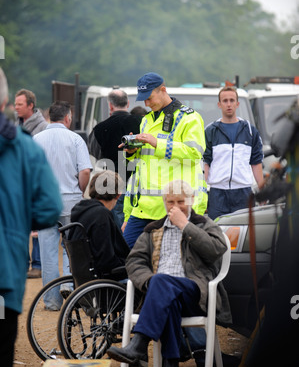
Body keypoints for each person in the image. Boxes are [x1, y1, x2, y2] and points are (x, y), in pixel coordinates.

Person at [107, 180, 231, 367]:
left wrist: (185, 225)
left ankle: (139, 343)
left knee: (162, 283)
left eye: (181, 201)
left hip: (194, 293)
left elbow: (215, 250)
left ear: (191, 201)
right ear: (164, 202)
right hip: (163, 296)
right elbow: (134, 262)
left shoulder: (204, 224)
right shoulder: (153, 229)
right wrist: (148, 281)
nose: (176, 205)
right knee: (165, 294)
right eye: (170, 201)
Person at [0, 68, 62, 367]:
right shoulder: (24, 148)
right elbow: (49, 209)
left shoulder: (34, 140)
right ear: (7, 102)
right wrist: (18, 221)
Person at [122, 72, 208, 249]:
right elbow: (145, 159)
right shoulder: (145, 120)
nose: (146, 103)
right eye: (143, 100)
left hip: (173, 206)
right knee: (127, 252)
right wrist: (131, 152)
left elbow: (194, 153)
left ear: (163, 90)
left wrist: (157, 143)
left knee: (166, 261)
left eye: (149, 98)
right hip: (144, 207)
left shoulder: (190, 118)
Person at [34, 101, 92, 310]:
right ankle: (69, 286)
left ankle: (51, 301)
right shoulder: (75, 139)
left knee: (48, 252)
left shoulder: (36, 139)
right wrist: (79, 188)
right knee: (72, 248)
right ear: (67, 117)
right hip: (71, 199)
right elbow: (85, 171)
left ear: (49, 117)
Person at [204, 86, 264, 220]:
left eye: (232, 100)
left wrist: (262, 190)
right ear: (219, 105)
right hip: (217, 194)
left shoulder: (250, 130)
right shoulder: (211, 131)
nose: (229, 104)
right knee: (218, 234)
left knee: (244, 234)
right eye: (225, 101)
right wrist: (205, 187)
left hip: (243, 193)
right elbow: (206, 161)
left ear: (237, 104)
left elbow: (256, 162)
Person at [88, 89, 141, 229]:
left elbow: (95, 154)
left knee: (117, 218)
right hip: (139, 181)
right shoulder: (142, 123)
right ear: (128, 103)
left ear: (110, 106)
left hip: (113, 183)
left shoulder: (99, 129)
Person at [68, 170, 130, 287]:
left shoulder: (80, 210)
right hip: (105, 278)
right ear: (118, 195)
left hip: (84, 276)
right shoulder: (101, 215)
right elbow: (106, 258)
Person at [15, 89, 49, 278]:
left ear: (30, 105)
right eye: (16, 103)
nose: (17, 107)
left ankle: (37, 264)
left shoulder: (42, 127)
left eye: (20, 104)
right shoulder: (14, 124)